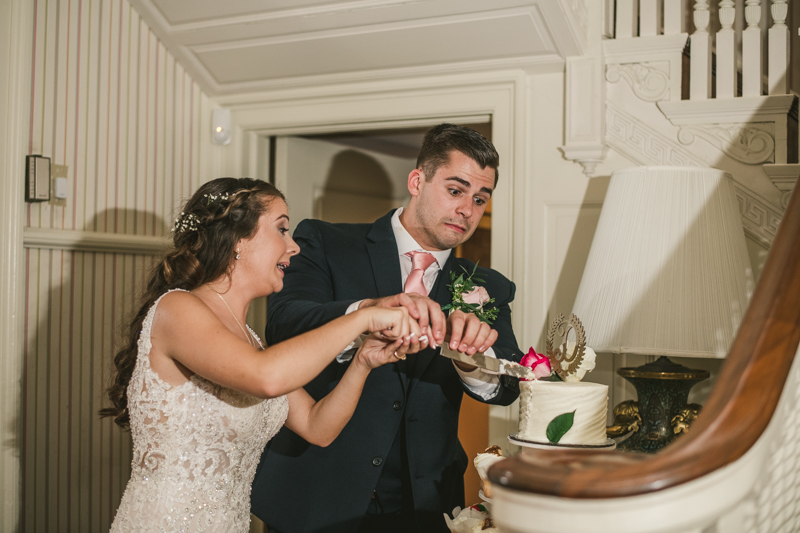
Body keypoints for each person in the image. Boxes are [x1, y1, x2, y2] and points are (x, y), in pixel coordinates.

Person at [100, 178, 424, 533]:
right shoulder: (177, 309)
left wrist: (363, 361)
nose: (294, 246)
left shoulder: (250, 341)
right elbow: (266, 377)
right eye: (282, 230)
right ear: (238, 239)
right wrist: (363, 316)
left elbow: (319, 427)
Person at [252, 124, 523, 532]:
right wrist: (366, 311)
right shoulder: (326, 242)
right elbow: (284, 324)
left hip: (425, 505)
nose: (468, 209)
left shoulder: (489, 286)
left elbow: (509, 386)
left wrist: (470, 360)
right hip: (316, 492)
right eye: (455, 190)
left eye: (480, 198)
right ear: (417, 181)